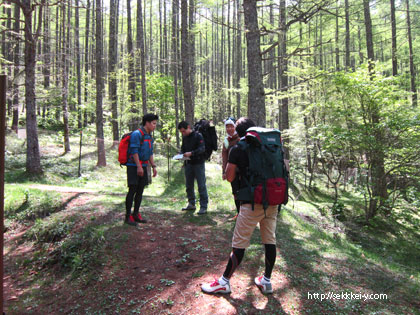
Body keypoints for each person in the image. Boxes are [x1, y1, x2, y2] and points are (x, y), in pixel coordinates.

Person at [201, 117, 278, 294]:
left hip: (251, 203)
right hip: (272, 201)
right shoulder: (269, 146)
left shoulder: (238, 149)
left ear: (239, 131)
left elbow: (229, 177)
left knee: (239, 244)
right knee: (269, 241)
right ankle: (266, 281)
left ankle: (224, 282)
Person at [124, 113, 159, 226]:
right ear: (147, 123)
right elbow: (134, 151)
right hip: (134, 167)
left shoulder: (149, 136)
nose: (155, 126)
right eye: (153, 123)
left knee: (140, 191)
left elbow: (150, 152)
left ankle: (136, 214)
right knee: (132, 190)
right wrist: (138, 166)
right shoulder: (137, 134)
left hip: (144, 166)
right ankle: (128, 216)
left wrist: (153, 166)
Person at [178, 121, 209, 215]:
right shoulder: (185, 138)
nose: (183, 133)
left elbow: (202, 148)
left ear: (188, 127)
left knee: (201, 185)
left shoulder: (198, 136)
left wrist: (192, 153)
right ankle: (191, 203)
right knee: (189, 185)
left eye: (184, 131)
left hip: (198, 163)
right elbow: (183, 149)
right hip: (188, 164)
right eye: (181, 132)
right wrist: (181, 155)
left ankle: (203, 206)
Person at [221, 117, 240, 216]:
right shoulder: (226, 141)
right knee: (235, 192)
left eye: (231, 126)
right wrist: (224, 171)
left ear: (235, 127)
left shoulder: (240, 138)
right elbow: (224, 156)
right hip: (232, 170)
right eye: (227, 127)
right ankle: (239, 213)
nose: (229, 129)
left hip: (242, 170)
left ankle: (244, 215)